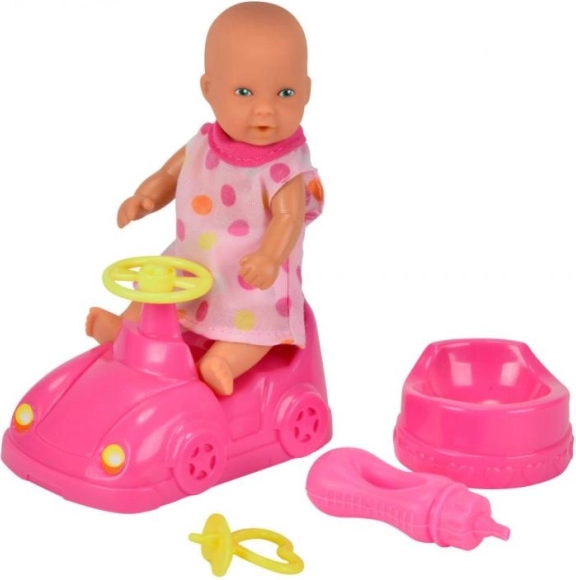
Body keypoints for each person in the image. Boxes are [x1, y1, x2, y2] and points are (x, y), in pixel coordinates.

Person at [86, 2, 324, 395]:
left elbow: (289, 218)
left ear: (307, 92)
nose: (265, 110)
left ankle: (224, 360)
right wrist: (145, 197)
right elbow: (169, 174)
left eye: (285, 93)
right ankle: (127, 330)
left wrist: (268, 258)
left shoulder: (284, 168)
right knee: (157, 286)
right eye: (244, 92)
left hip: (251, 275)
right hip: (194, 259)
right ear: (209, 90)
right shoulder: (202, 145)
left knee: (256, 322)